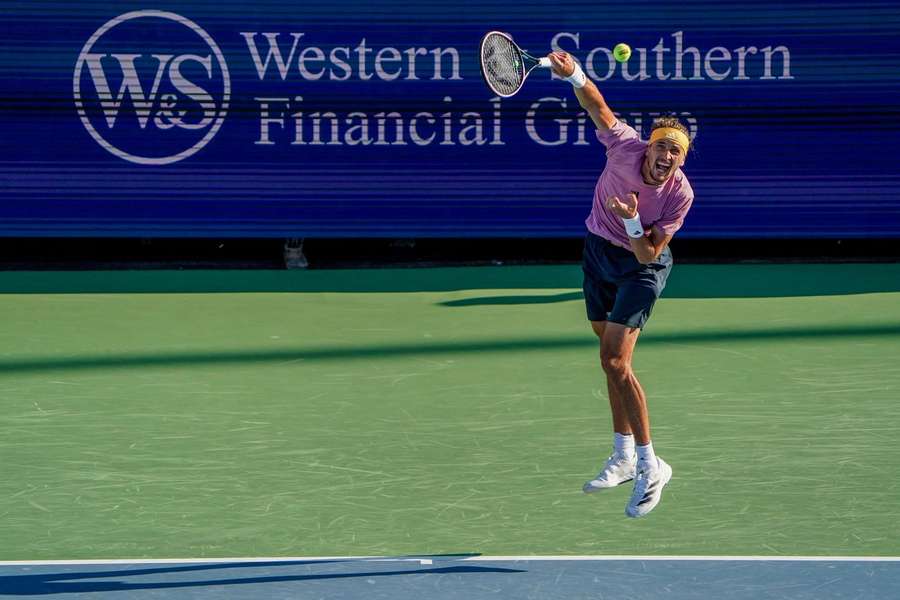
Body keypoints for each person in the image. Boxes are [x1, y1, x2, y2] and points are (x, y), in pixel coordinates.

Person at [547, 50, 694, 518]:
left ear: (680, 160)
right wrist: (575, 73)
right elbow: (596, 104)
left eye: (675, 152)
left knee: (614, 359)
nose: (665, 156)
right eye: (661, 147)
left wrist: (633, 221)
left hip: (641, 269)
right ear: (647, 147)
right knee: (611, 364)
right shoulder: (624, 145)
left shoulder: (680, 194)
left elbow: (650, 252)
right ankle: (623, 456)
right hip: (597, 254)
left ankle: (652, 464)